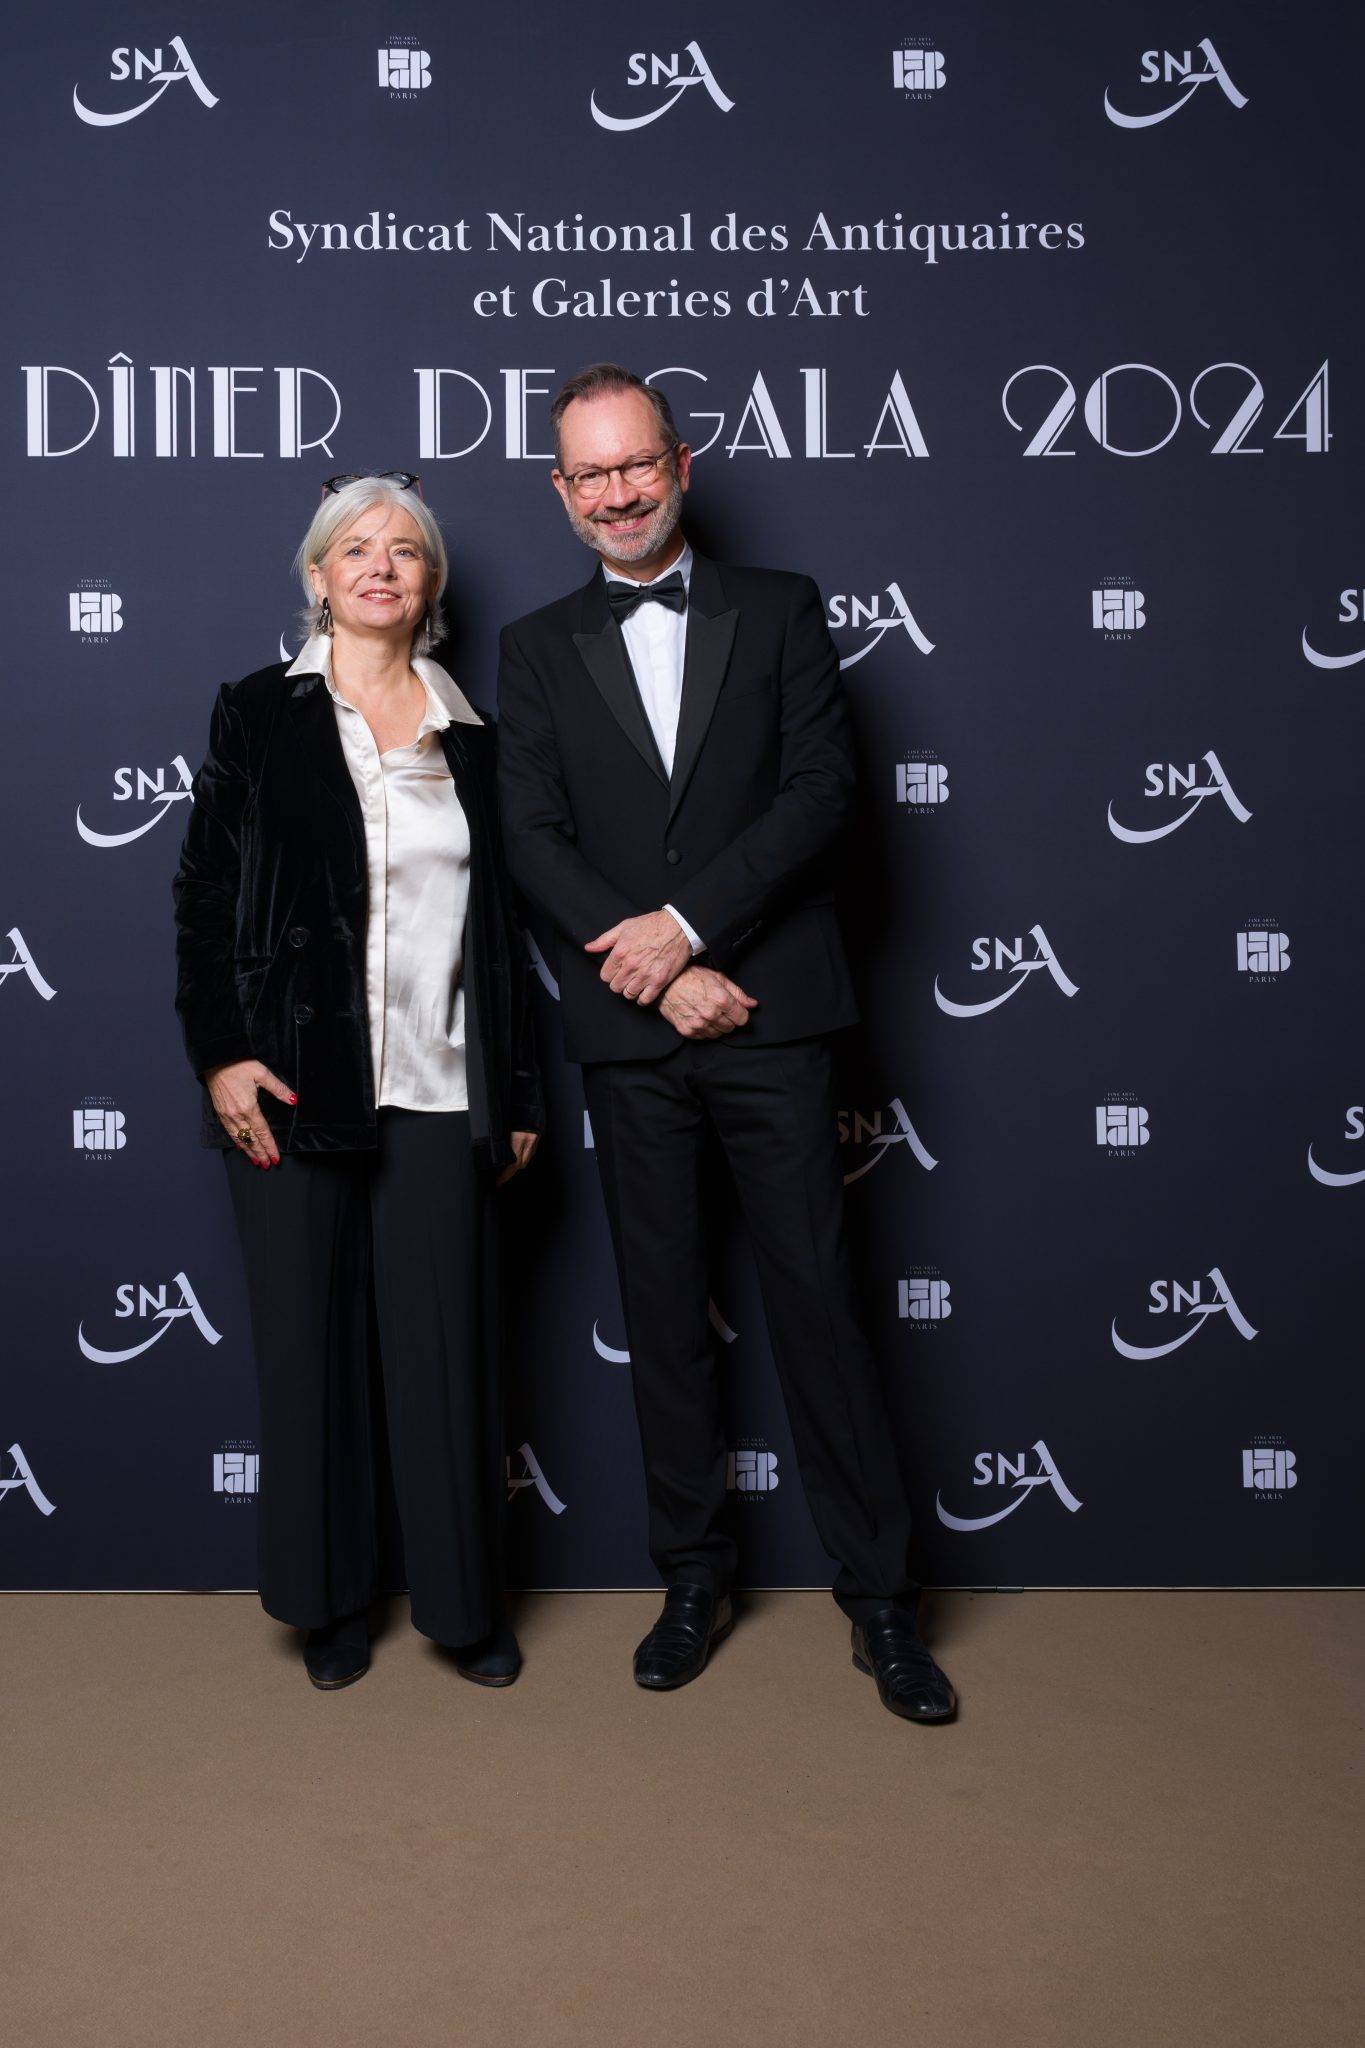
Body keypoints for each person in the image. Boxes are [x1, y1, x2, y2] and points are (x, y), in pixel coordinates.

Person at [496, 366, 955, 1723]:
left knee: (819, 1306)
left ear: (680, 465)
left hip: (773, 1016)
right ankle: (691, 1577)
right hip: (637, 1038)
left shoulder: (780, 609)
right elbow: (533, 839)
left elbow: (823, 796)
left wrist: (689, 933)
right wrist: (654, 978)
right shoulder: (531, 647)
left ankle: (880, 1603)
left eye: (636, 464)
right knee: (661, 1316)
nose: (618, 492)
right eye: (590, 474)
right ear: (562, 493)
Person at [173, 472, 542, 1691]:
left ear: (431, 586)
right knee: (308, 1350)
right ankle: (329, 1600)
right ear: (319, 576)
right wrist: (222, 1051)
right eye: (355, 549)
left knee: (446, 1357)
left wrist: (522, 1088)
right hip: (287, 1084)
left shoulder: (478, 734)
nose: (381, 566)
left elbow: (506, 934)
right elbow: (204, 900)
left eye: (406, 552)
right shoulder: (253, 713)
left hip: (442, 1088)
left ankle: (459, 1604)